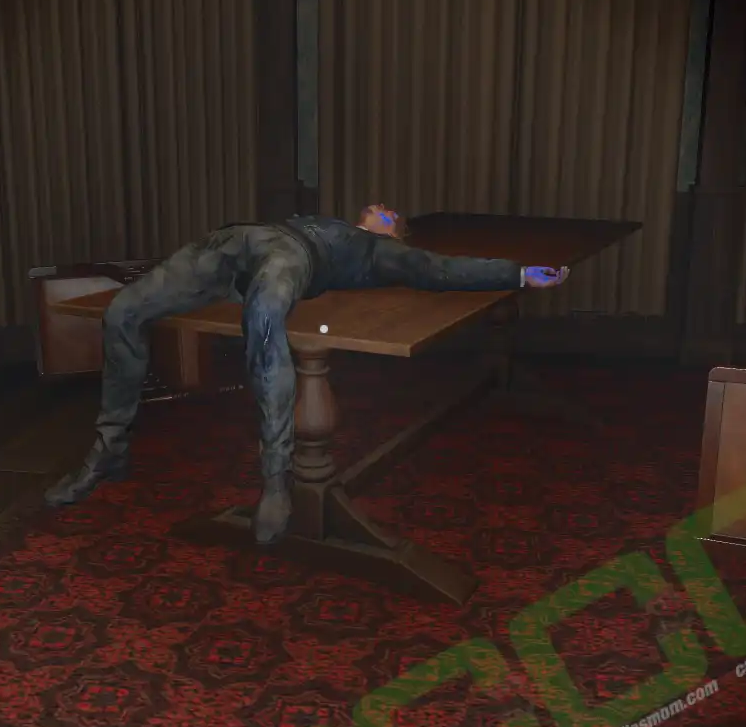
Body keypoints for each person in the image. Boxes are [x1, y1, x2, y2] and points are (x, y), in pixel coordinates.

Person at [44, 204, 569, 544]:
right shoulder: (331, 222)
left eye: (389, 212)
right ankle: (110, 450)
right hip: (228, 243)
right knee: (123, 312)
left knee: (264, 323)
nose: (378, 207)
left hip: (288, 255)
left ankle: (277, 480)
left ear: (394, 232)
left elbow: (443, 270)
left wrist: (519, 273)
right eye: (377, 206)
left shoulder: (379, 253)